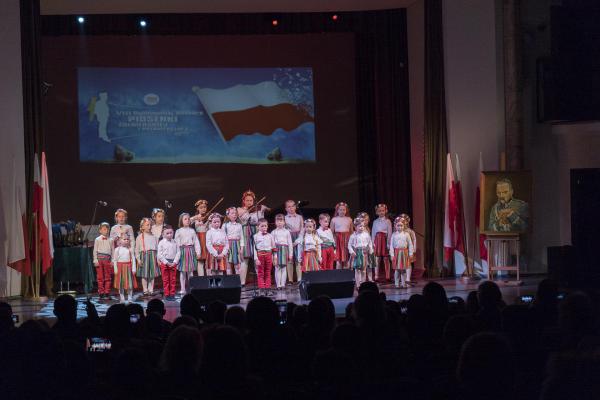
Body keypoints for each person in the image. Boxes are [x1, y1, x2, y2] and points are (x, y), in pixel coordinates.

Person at [238, 189, 269, 286]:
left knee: (257, 257)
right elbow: (243, 217)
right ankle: (242, 282)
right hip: (245, 233)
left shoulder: (258, 209)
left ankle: (260, 281)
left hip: (256, 232)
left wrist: (263, 208)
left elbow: (260, 219)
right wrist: (246, 211)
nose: (249, 202)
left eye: (251, 200)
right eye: (247, 200)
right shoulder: (240, 209)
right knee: (245, 258)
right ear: (244, 201)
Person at [175, 213, 201, 295]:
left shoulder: (192, 231)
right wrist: (177, 254)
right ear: (181, 221)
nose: (187, 220)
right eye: (185, 219)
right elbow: (176, 243)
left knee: (190, 272)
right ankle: (183, 289)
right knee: (182, 272)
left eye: (188, 219)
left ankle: (191, 287)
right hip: (182, 252)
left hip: (190, 251)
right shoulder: (178, 231)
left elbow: (196, 242)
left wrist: (198, 252)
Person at [135, 217, 160, 297]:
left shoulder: (154, 237)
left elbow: (157, 248)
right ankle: (145, 290)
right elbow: (137, 250)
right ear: (142, 227)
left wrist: (158, 259)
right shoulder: (139, 237)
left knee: (152, 275)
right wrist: (138, 259)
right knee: (144, 275)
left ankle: (151, 289)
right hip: (144, 256)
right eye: (147, 225)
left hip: (153, 256)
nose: (149, 226)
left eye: (150, 225)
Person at [348, 217, 374, 287]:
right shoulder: (353, 236)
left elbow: (370, 242)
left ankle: (363, 283)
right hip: (357, 253)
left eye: (363, 226)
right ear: (355, 227)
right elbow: (349, 245)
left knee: (364, 269)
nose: (361, 228)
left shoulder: (366, 234)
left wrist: (371, 249)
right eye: (360, 226)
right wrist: (352, 252)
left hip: (364, 253)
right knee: (357, 270)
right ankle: (358, 284)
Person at [253, 218, 276, 294]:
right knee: (260, 272)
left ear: (267, 226)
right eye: (262, 226)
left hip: (268, 255)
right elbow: (254, 249)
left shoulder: (270, 236)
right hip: (260, 255)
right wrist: (256, 259)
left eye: (265, 226)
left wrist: (275, 257)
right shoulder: (255, 236)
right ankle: (262, 289)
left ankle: (268, 288)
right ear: (258, 227)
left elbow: (273, 247)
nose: (264, 228)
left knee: (268, 272)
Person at [157, 225, 180, 300]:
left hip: (173, 262)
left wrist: (175, 262)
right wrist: (166, 262)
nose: (169, 235)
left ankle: (172, 294)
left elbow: (178, 252)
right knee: (166, 279)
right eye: (167, 233)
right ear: (163, 234)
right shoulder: (161, 243)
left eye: (171, 233)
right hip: (165, 263)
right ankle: (167, 294)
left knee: (173, 279)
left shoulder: (175, 242)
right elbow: (159, 254)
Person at [284, 200, 304, 284]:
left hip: (298, 237)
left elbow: (303, 228)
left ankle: (299, 278)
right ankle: (290, 279)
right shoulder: (284, 218)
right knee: (290, 259)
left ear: (295, 207)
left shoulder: (300, 217)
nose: (291, 208)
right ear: (286, 209)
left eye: (292, 206)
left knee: (298, 259)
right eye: (289, 206)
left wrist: (299, 239)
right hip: (289, 237)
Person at [371, 204, 393, 281]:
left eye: (383, 211)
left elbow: (389, 232)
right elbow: (373, 232)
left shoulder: (388, 221)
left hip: (384, 239)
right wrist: (372, 243)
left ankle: (387, 276)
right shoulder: (375, 221)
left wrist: (388, 243)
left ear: (385, 211)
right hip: (377, 240)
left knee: (386, 258)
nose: (381, 212)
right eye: (379, 211)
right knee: (377, 258)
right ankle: (376, 276)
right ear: (377, 212)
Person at [272, 214, 293, 290]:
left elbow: (290, 244)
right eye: (278, 221)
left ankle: (283, 284)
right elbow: (272, 244)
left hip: (284, 251)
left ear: (284, 222)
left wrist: (290, 254)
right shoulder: (273, 232)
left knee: (284, 268)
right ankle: (278, 284)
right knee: (277, 268)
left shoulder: (287, 232)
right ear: (275, 222)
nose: (279, 222)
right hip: (277, 251)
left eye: (281, 220)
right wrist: (274, 255)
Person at [113, 234, 137, 302]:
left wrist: (134, 268)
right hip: (120, 268)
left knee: (130, 284)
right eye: (124, 239)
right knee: (121, 284)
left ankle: (130, 297)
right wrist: (115, 269)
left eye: (127, 239)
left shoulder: (130, 249)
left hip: (128, 267)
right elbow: (115, 260)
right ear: (120, 240)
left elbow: (133, 259)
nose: (126, 240)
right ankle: (122, 297)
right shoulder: (117, 249)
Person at [93, 222, 113, 299]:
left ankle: (107, 292)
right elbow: (95, 250)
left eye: (108, 229)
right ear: (100, 230)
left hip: (107, 260)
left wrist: (112, 261)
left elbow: (113, 251)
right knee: (100, 277)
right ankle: (101, 292)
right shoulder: (97, 239)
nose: (106, 231)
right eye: (104, 229)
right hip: (99, 260)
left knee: (108, 276)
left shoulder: (111, 240)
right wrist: (95, 260)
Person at [223, 207, 244, 279]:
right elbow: (223, 238)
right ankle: (230, 281)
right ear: (228, 215)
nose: (234, 215)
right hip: (228, 245)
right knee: (228, 264)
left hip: (237, 245)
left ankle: (238, 281)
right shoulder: (225, 225)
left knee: (237, 264)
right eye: (232, 213)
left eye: (235, 213)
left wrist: (241, 248)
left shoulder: (239, 225)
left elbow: (242, 237)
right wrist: (226, 248)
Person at [331, 202, 353, 269]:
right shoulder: (334, 219)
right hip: (338, 239)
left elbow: (351, 231)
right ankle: (339, 274)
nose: (342, 211)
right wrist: (333, 241)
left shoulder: (349, 219)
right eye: (340, 209)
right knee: (339, 258)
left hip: (347, 239)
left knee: (346, 257)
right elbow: (331, 232)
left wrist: (351, 241)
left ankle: (346, 274)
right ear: (337, 210)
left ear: (346, 210)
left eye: (344, 210)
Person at [190, 199, 209, 276]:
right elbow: (188, 221)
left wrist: (210, 219)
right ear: (197, 209)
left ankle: (209, 277)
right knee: (200, 260)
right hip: (199, 238)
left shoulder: (209, 216)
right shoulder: (196, 217)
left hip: (207, 237)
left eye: (204, 207)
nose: (203, 209)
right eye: (201, 207)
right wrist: (195, 217)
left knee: (208, 259)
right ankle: (201, 277)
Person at [398, 213, 417, 284]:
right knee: (401, 264)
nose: (403, 222)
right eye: (401, 220)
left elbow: (414, 240)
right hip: (401, 250)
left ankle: (408, 278)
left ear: (407, 222)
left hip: (409, 250)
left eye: (404, 221)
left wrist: (414, 249)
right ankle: (402, 278)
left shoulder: (410, 231)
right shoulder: (397, 231)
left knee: (408, 264)